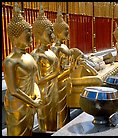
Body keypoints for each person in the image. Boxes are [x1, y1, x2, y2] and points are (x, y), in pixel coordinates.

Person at [3, 3, 41, 136]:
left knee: (29, 130)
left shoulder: (29, 56)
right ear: (14, 38)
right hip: (17, 105)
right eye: (28, 36)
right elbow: (13, 90)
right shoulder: (10, 61)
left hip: (30, 102)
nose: (31, 39)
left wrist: (37, 95)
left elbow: (34, 79)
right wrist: (33, 102)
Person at [31, 4, 60, 132]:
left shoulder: (51, 52)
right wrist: (56, 73)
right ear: (38, 34)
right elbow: (37, 80)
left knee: (54, 120)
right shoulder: (36, 55)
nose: (53, 36)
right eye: (50, 32)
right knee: (45, 122)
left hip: (53, 89)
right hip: (43, 92)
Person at [51, 7, 71, 129]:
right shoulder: (55, 49)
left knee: (66, 111)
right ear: (58, 32)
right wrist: (70, 70)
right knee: (60, 112)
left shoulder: (64, 47)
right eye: (65, 31)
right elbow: (56, 74)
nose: (68, 33)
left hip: (66, 82)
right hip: (58, 84)